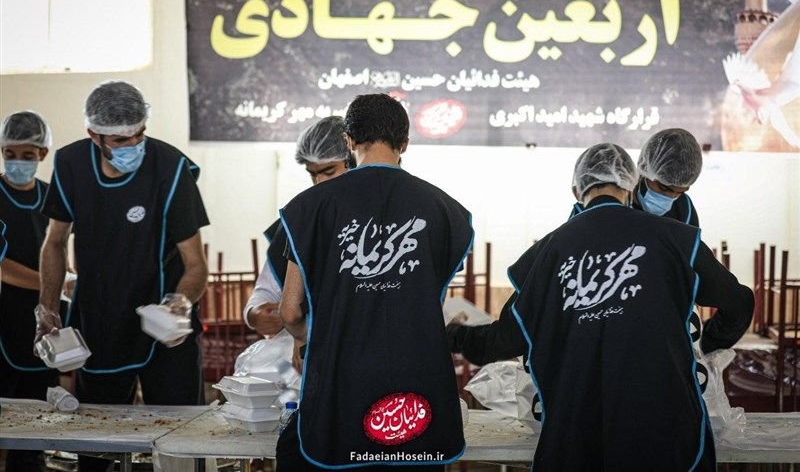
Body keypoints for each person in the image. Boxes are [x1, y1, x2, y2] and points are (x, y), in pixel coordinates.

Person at [447, 143, 754, 472]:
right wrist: (710, 344)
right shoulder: (677, 240)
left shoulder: (548, 253)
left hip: (578, 435)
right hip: (667, 430)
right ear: (631, 185)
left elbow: (503, 340)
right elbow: (740, 302)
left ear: (576, 190)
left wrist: (452, 335)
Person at [276, 93, 474, 471]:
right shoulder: (447, 211)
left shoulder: (310, 208)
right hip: (417, 388)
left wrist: (308, 337)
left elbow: (289, 310)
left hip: (340, 385)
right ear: (405, 143)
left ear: (348, 140)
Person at [35, 81, 210, 472]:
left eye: (139, 135)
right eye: (120, 140)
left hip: (165, 328)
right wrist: (47, 309)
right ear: (93, 135)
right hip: (100, 319)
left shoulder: (170, 168)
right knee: (98, 442)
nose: (133, 145)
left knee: (181, 440)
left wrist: (180, 304)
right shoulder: (71, 164)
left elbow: (195, 264)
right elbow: (55, 242)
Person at [0, 111, 66, 472]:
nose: (17, 162)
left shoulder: (50, 198)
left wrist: (65, 286)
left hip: (44, 317)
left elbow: (62, 248)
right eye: (10, 154)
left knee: (37, 416)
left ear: (42, 154)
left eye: (27, 155)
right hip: (4, 317)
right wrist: (53, 281)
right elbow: (2, 266)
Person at [243, 116, 352, 337]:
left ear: (354, 161)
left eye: (329, 171)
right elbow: (266, 292)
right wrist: (255, 314)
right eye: (313, 174)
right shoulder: (297, 222)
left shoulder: (382, 219)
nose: (320, 182)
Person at [570, 128, 703, 226]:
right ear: (645, 170)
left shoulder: (683, 209)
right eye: (663, 188)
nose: (669, 198)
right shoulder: (602, 204)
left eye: (679, 192)